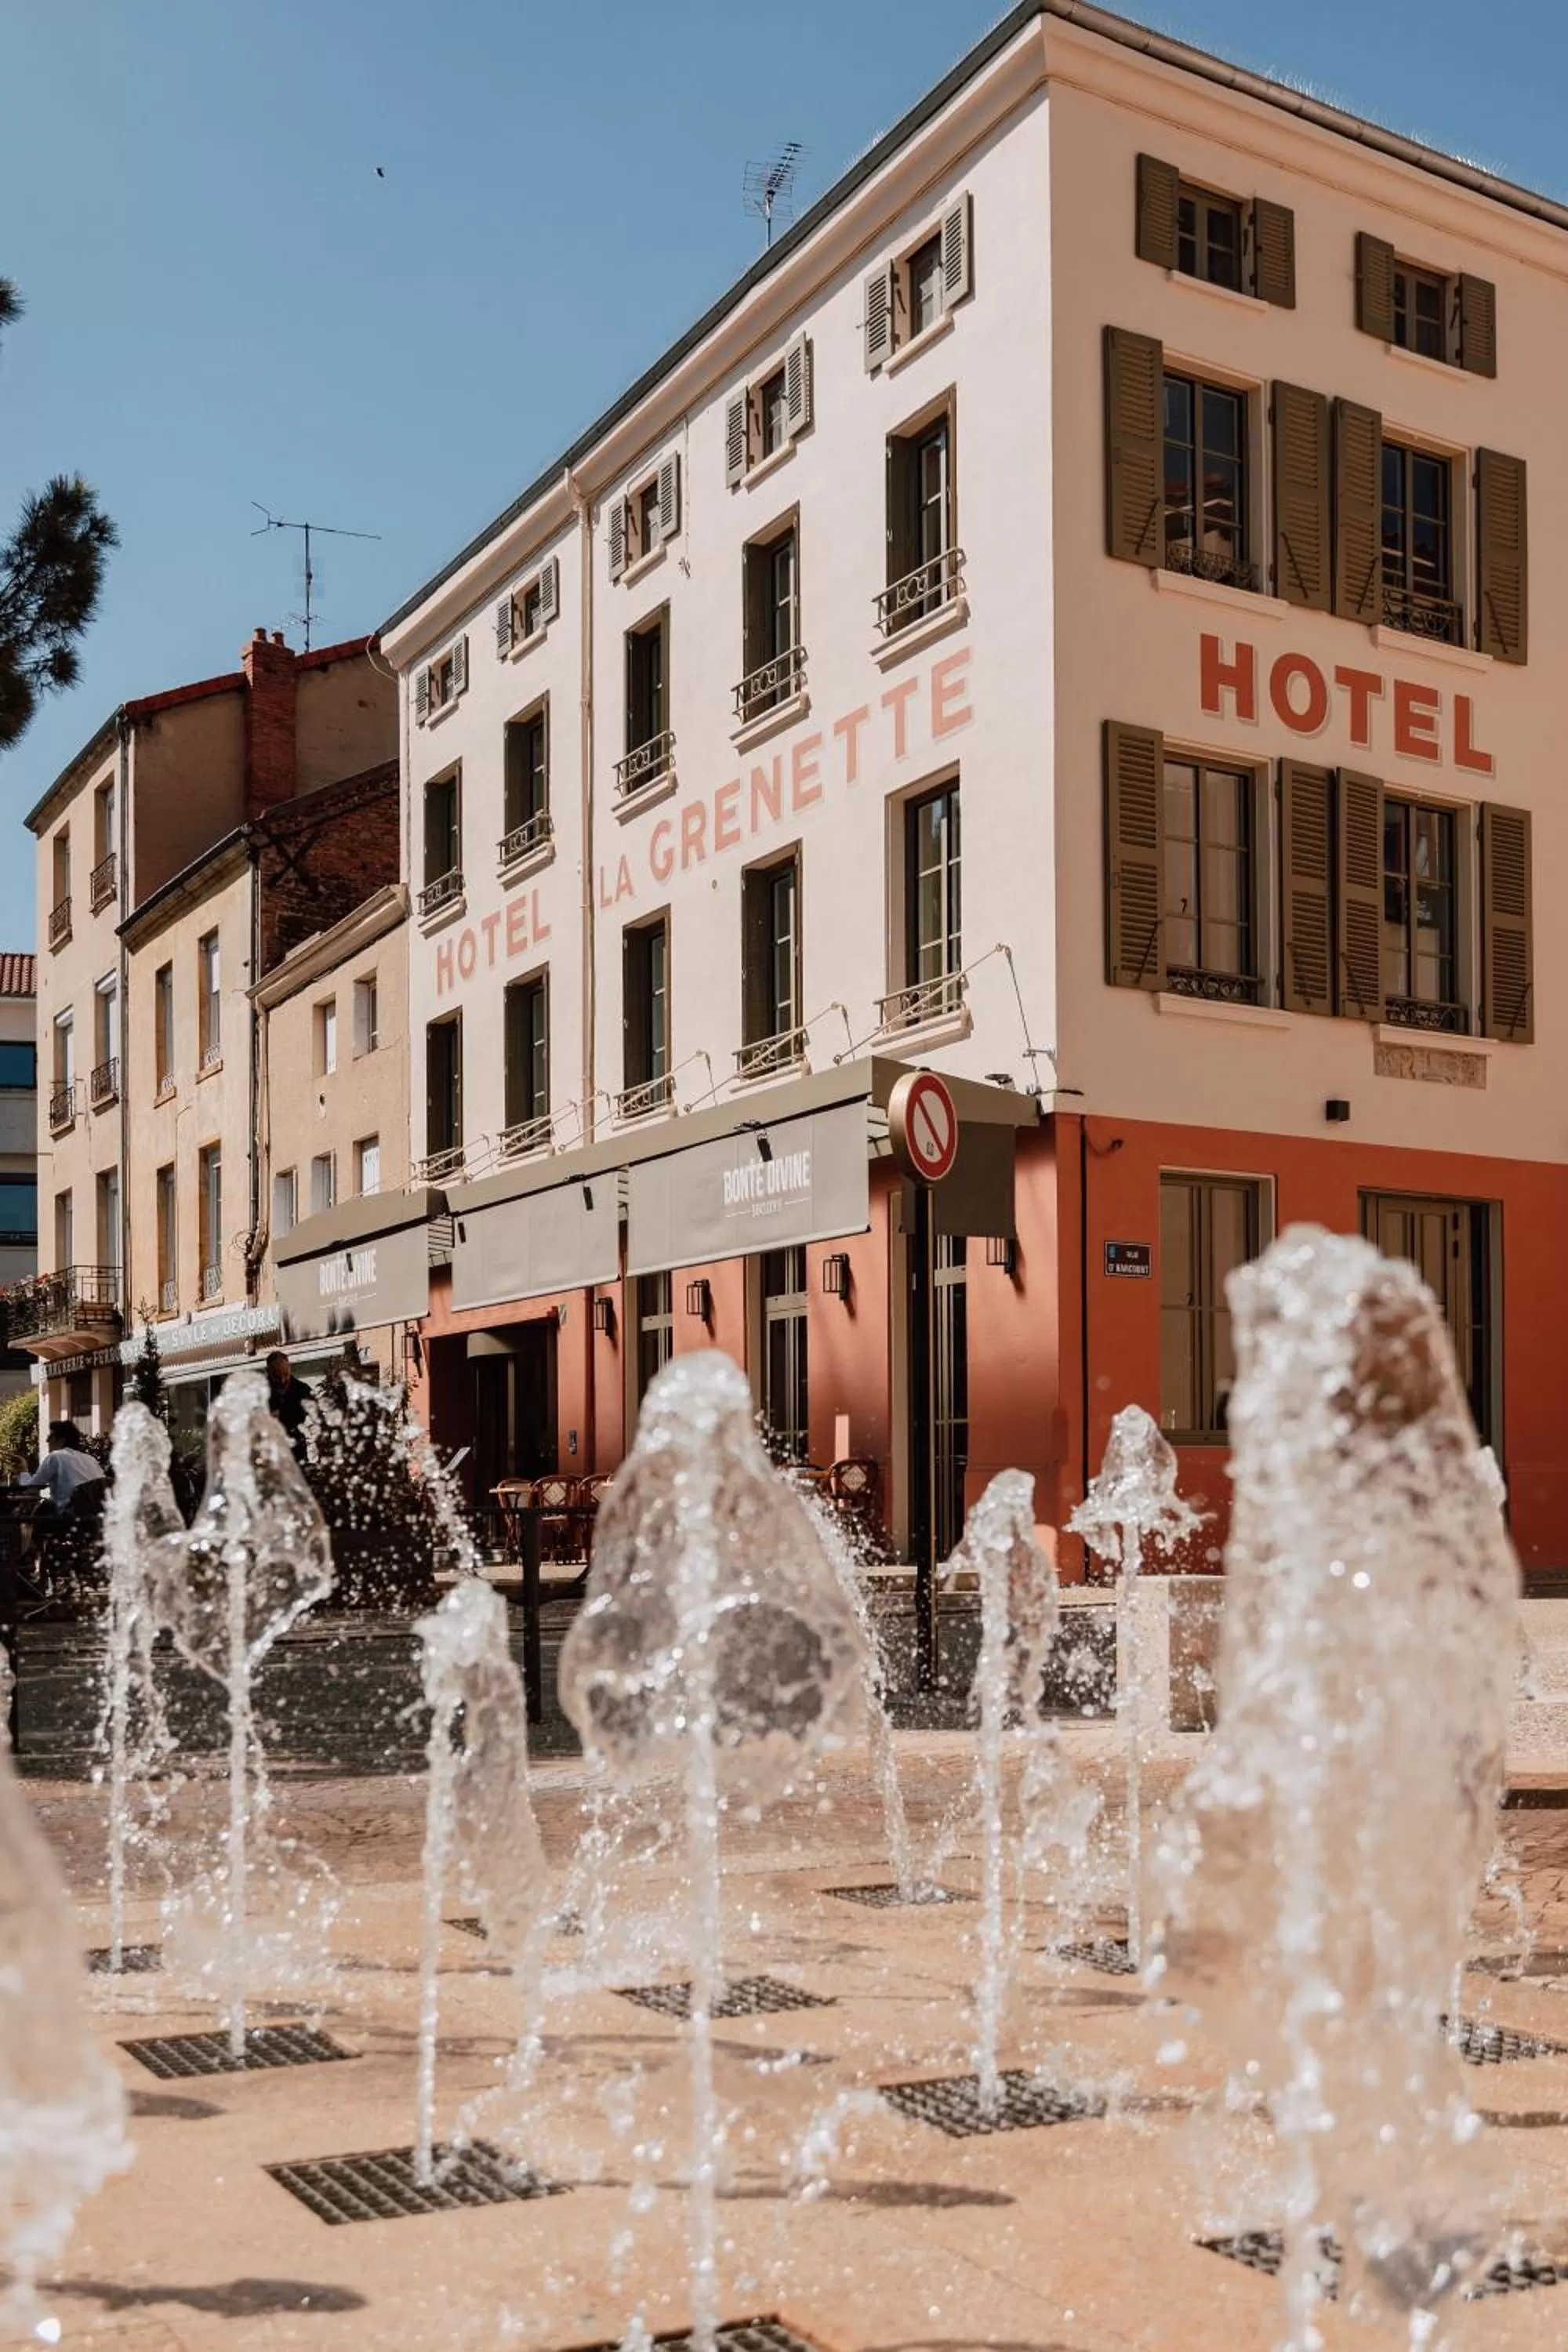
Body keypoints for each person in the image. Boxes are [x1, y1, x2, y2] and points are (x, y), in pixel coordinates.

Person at [19, 1421, 107, 1526]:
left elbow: (31, 1488)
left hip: (68, 1518)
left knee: (35, 1516)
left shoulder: (56, 1456)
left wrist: (23, 1470)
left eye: (50, 1437)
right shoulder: (91, 1460)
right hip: (96, 1518)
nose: (47, 1441)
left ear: (61, 1441)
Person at [266, 1349, 310, 1459]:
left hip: (297, 1452)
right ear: (268, 1371)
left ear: (290, 1367)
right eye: (276, 1375)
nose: (282, 1380)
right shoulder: (261, 1393)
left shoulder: (302, 1390)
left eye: (286, 1374)